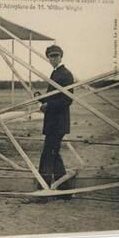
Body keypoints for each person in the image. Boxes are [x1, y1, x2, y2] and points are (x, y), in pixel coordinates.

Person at [38, 44, 74, 194]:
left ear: (61, 56)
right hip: (54, 122)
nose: (53, 59)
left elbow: (67, 100)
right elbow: (55, 97)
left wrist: (48, 106)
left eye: (56, 56)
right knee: (54, 153)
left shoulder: (65, 74)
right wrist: (42, 99)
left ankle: (43, 188)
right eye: (51, 56)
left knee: (48, 154)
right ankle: (64, 189)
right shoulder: (56, 73)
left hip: (58, 122)